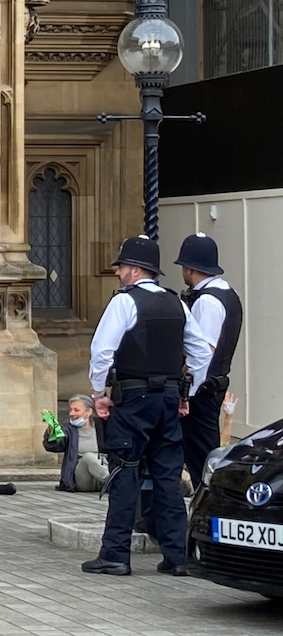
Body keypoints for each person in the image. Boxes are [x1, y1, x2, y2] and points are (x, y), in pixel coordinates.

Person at [82, 235, 211, 577]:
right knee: (169, 476)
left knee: (125, 472)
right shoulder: (177, 303)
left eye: (121, 266)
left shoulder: (125, 303)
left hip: (133, 398)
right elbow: (201, 353)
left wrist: (99, 395)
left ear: (135, 269)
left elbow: (102, 351)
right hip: (168, 399)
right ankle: (177, 556)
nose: (118, 272)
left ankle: (115, 554)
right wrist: (187, 393)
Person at [175, 232, 243, 489]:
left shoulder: (207, 301)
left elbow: (203, 351)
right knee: (201, 451)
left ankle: (209, 508)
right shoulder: (228, 292)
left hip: (202, 389)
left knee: (200, 455)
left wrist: (187, 391)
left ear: (190, 268)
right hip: (214, 383)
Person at [44, 394, 108, 492]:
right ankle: (113, 481)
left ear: (89, 412)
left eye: (76, 410)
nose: (71, 413)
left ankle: (111, 481)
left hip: (102, 472)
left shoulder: (102, 427)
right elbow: (54, 446)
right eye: (70, 410)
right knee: (88, 457)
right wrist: (51, 432)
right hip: (83, 479)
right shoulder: (68, 430)